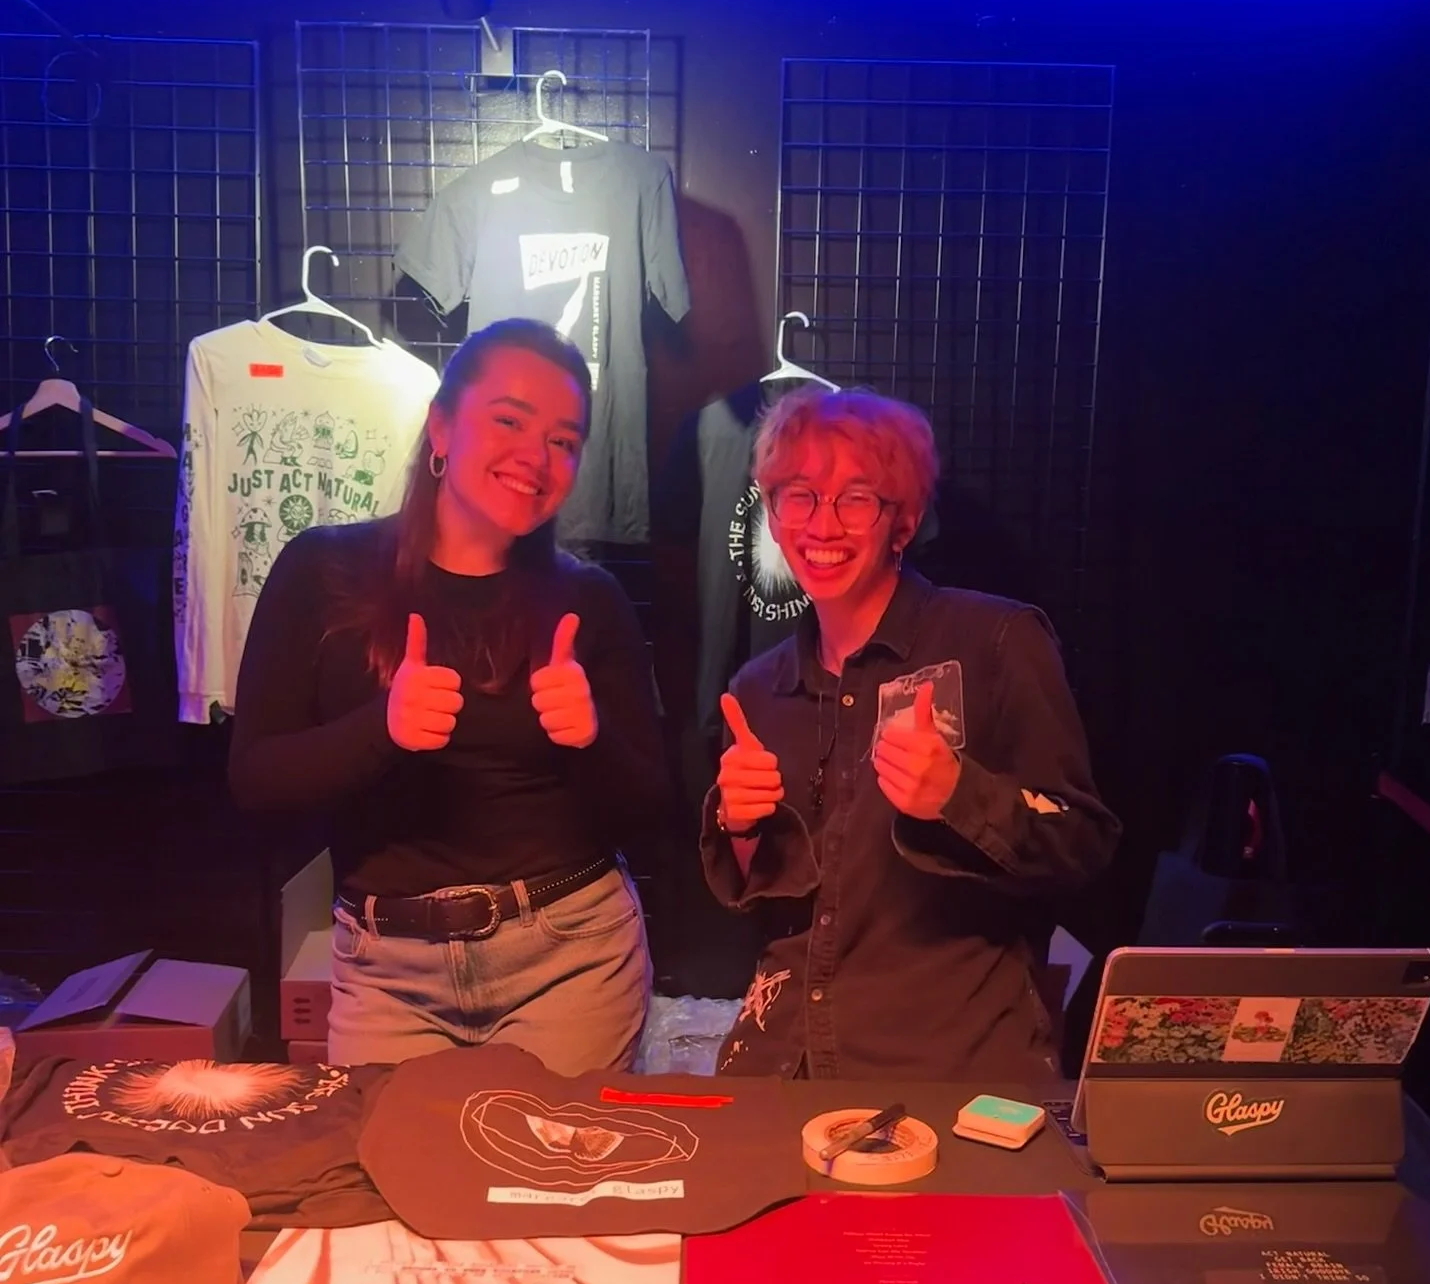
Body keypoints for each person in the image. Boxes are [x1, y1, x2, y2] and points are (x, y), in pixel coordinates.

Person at [229, 318, 666, 1071]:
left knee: (554, 1186)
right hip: (386, 973)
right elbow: (254, 784)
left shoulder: (590, 600)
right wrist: (382, 731)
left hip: (569, 960)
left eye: (564, 441)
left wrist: (588, 740)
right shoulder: (321, 571)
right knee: (384, 1185)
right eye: (509, 421)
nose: (536, 456)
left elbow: (655, 809)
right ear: (441, 426)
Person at [703, 385, 1120, 1083]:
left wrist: (959, 794)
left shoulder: (996, 642)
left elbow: (1084, 842)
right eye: (798, 495)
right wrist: (739, 828)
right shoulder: (757, 687)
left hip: (948, 1066)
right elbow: (771, 900)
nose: (823, 524)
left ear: (903, 519)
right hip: (778, 1066)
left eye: (856, 498)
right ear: (772, 515)